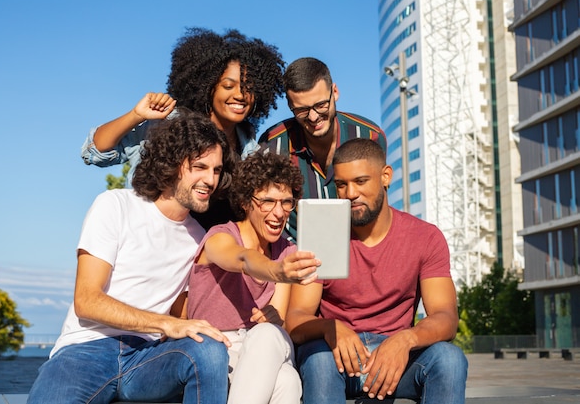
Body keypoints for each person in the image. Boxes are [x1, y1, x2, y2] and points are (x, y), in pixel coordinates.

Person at [27, 109, 236, 404]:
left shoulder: (200, 239)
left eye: (216, 170)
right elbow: (86, 300)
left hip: (147, 358)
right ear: (173, 164)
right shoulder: (115, 205)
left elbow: (182, 315)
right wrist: (165, 324)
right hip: (86, 349)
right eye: (200, 167)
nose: (210, 180)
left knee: (209, 348)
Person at [285, 138, 468, 404]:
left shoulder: (425, 237)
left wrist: (406, 340)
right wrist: (330, 327)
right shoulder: (323, 234)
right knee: (318, 359)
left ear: (385, 177)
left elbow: (446, 318)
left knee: (450, 359)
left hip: (397, 361)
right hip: (337, 359)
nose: (350, 194)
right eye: (341, 184)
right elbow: (296, 320)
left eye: (360, 182)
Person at [186, 152, 320, 404]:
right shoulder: (220, 236)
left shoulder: (286, 250)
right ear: (247, 202)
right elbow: (243, 260)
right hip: (217, 350)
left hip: (263, 345)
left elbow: (276, 319)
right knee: (287, 380)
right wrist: (277, 270)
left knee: (267, 334)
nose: (279, 213)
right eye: (267, 201)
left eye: (286, 202)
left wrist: (272, 317)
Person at [81, 27, 284, 186]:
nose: (240, 95)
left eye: (248, 87)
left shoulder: (251, 150)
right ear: (207, 87)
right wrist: (136, 115)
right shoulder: (169, 125)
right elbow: (96, 152)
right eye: (228, 86)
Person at [258, 57, 386, 241]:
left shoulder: (370, 136)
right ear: (289, 105)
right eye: (301, 110)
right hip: (293, 255)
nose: (313, 117)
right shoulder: (272, 144)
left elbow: (379, 204)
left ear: (334, 92)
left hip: (359, 251)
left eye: (320, 105)